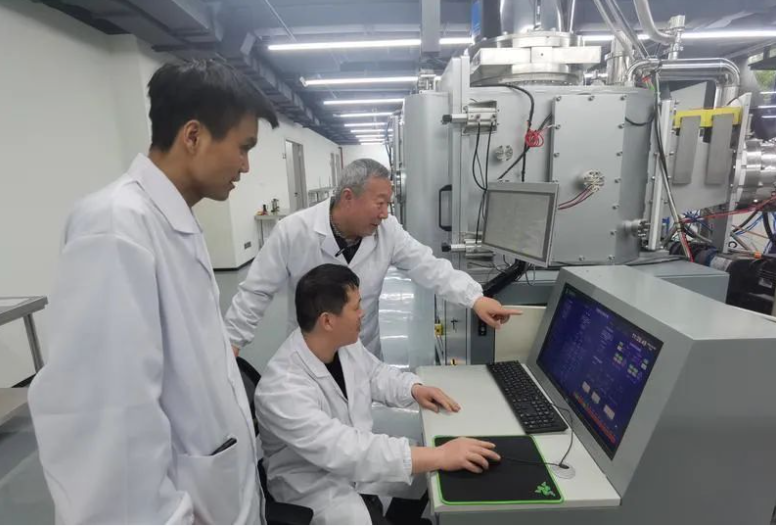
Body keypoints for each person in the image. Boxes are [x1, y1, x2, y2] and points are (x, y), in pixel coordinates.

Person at [27, 59, 279, 524]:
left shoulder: (173, 221)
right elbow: (109, 431)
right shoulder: (114, 227)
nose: (246, 166)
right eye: (243, 148)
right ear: (193, 136)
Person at [255, 264, 500, 524]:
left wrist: (414, 389)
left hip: (353, 465)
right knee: (427, 464)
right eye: (356, 307)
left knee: (430, 476)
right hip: (313, 486)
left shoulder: (340, 344)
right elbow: (346, 450)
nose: (363, 313)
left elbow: (374, 374)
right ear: (327, 321)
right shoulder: (282, 389)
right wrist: (440, 455)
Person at [226, 158, 520, 359]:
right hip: (309, 354)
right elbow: (256, 291)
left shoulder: (387, 230)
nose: (385, 213)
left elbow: (428, 265)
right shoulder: (294, 231)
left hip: (363, 351)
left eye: (388, 204)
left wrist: (475, 298)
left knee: (360, 420)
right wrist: (233, 342)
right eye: (380, 203)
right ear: (348, 197)